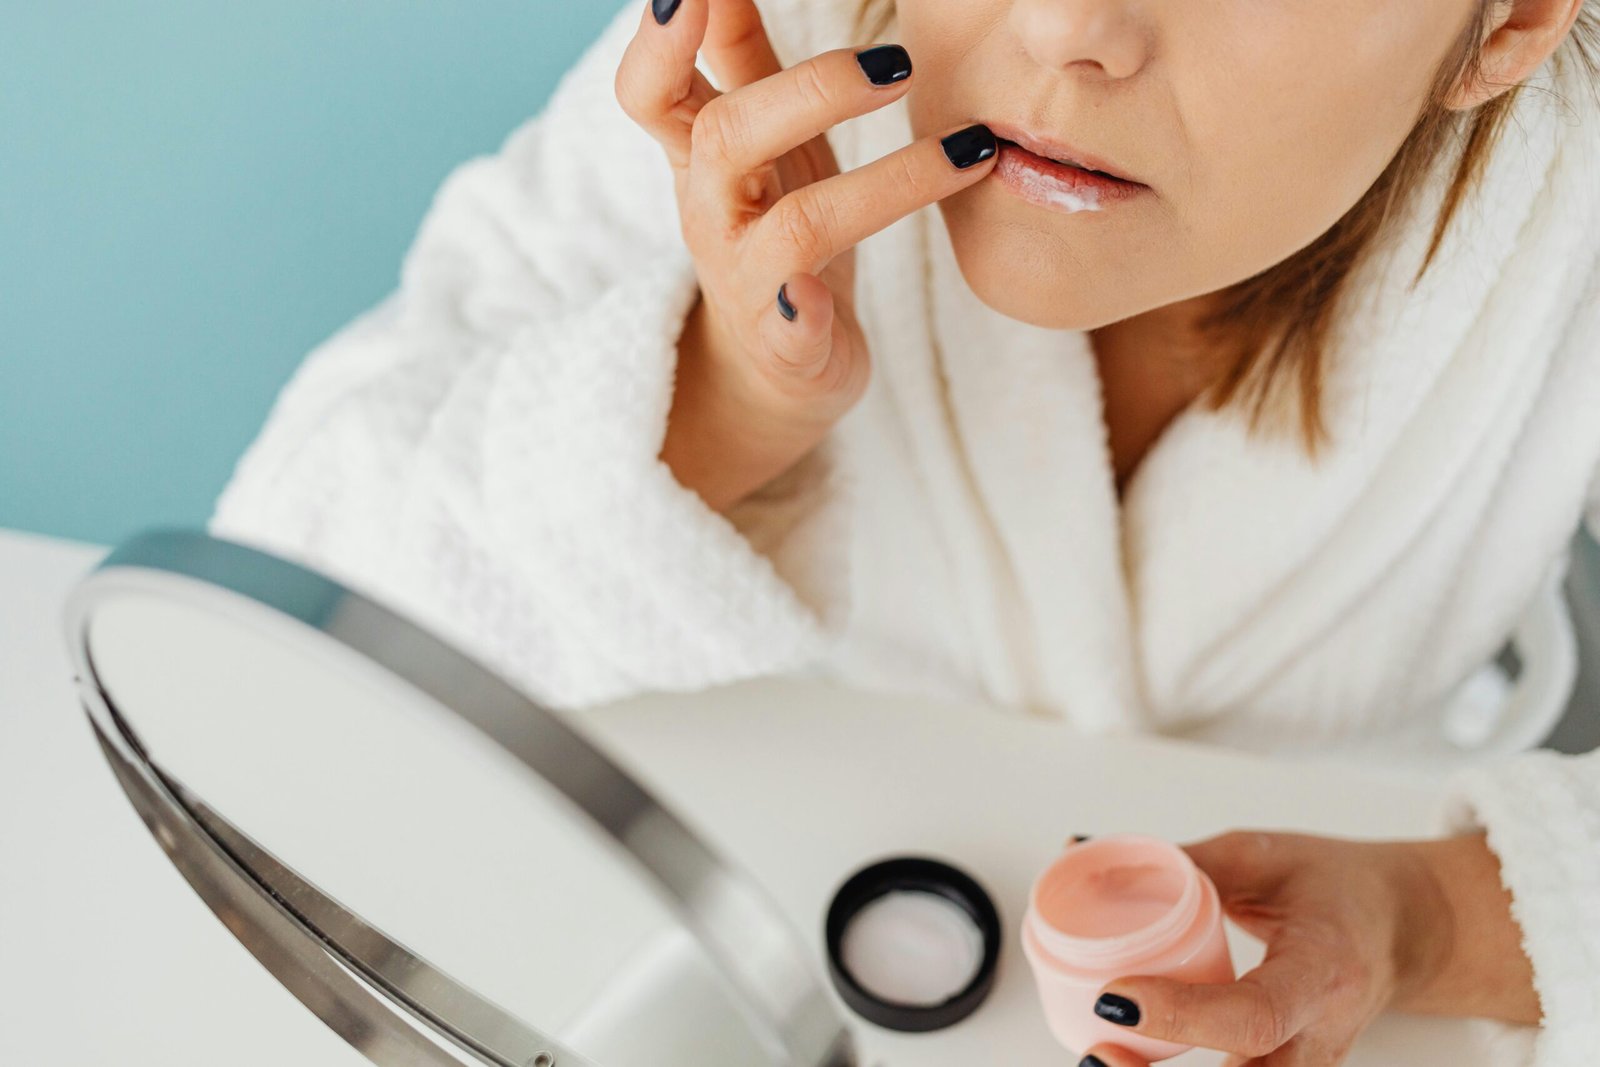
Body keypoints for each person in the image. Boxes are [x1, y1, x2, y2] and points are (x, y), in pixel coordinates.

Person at [207, 0, 1600, 1063]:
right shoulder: (783, 51)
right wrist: (726, 396)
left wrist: (1433, 919)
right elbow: (274, 606)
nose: (1064, 31)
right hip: (791, 890)